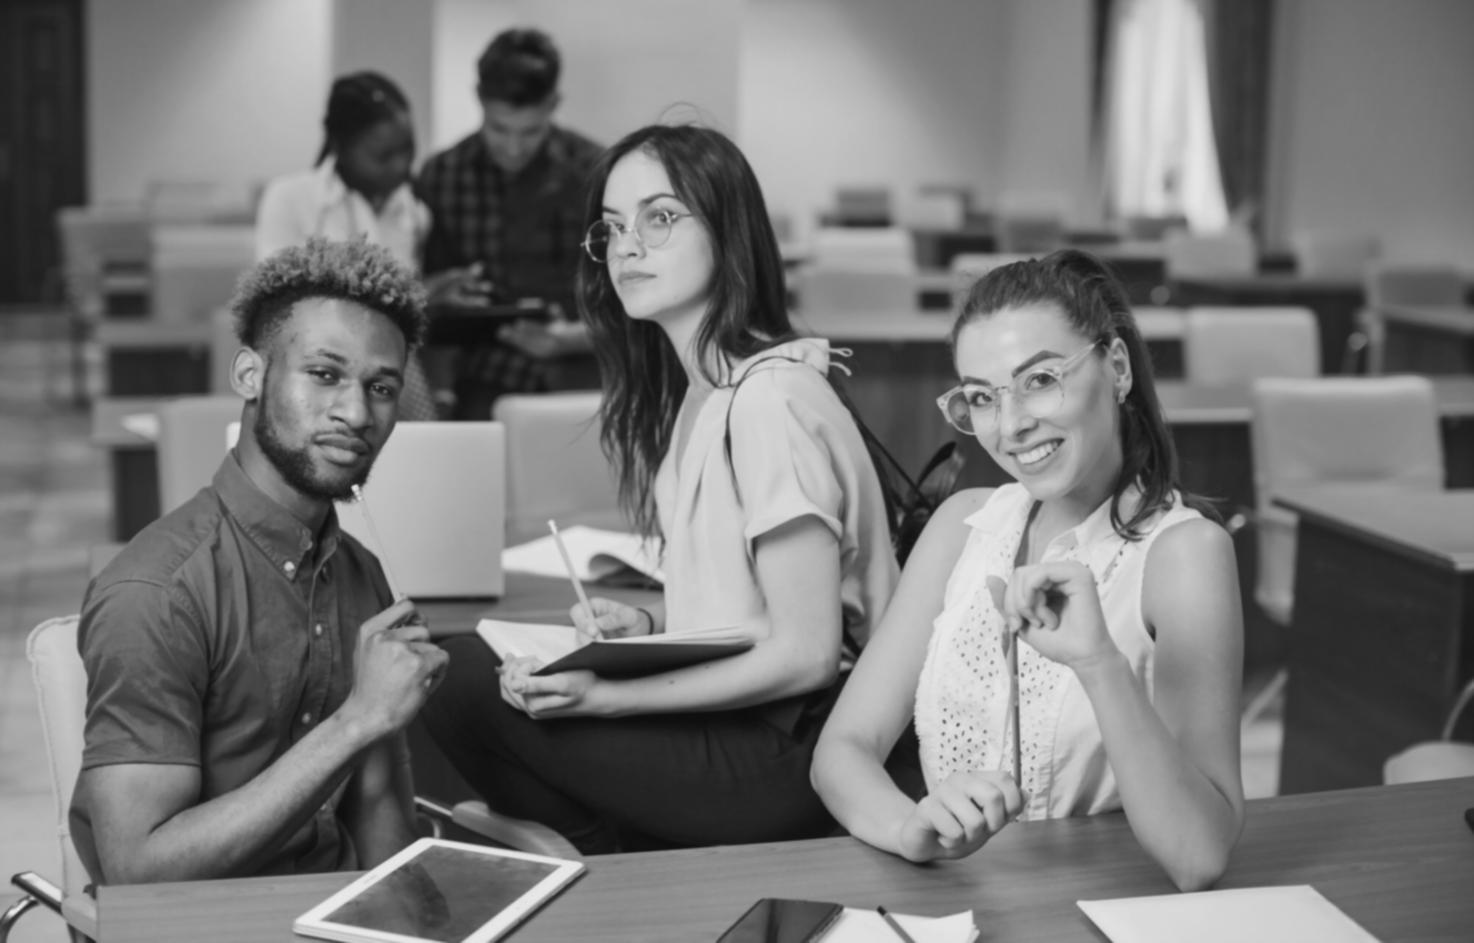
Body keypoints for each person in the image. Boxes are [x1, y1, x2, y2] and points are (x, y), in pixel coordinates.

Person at [421, 124, 900, 854]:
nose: (627, 247)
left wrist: (611, 697)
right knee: (475, 672)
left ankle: (615, 860)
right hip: (750, 722)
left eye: (660, 218)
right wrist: (647, 628)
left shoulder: (769, 401)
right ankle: (620, 855)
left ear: (728, 231)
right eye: (612, 228)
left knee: (462, 681)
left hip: (796, 749)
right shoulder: (707, 393)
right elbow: (758, 603)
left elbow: (806, 652)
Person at [811, 250, 1245, 891]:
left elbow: (1199, 857)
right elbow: (842, 750)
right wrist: (911, 830)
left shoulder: (1184, 553)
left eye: (1040, 379)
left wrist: (1098, 662)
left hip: (1103, 906)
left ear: (1117, 367)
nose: (1011, 425)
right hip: (956, 900)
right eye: (982, 397)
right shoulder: (963, 524)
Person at [71, 238, 448, 885]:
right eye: (324, 374)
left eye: (381, 387)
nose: (356, 412)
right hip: (210, 922)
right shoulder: (157, 591)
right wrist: (357, 721)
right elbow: (138, 870)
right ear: (249, 375)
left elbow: (380, 811)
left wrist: (419, 919)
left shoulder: (360, 572)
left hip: (334, 906)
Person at [415, 27, 602, 417]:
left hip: (586, 377)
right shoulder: (442, 177)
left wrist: (569, 339)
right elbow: (426, 307)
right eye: (499, 129)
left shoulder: (595, 173)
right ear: (479, 99)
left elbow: (630, 301)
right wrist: (442, 293)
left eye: (530, 131)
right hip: (482, 382)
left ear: (553, 104)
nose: (514, 149)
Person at [255, 71, 439, 420]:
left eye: (407, 149)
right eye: (383, 156)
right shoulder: (291, 199)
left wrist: (435, 294)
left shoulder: (415, 209)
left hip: (394, 372)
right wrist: (413, 295)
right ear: (341, 146)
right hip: (312, 370)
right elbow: (278, 303)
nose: (401, 166)